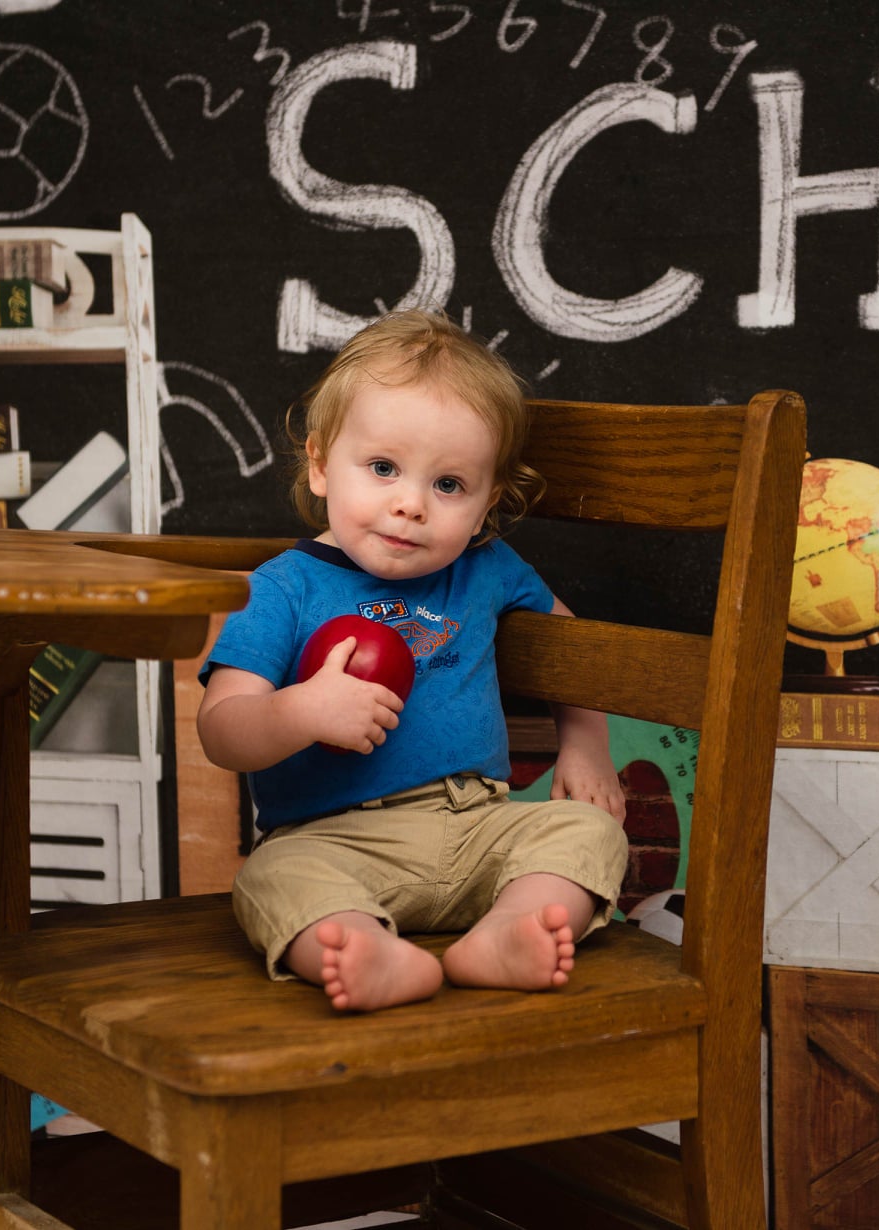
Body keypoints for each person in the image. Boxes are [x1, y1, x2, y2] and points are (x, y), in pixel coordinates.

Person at [197, 309, 628, 1012]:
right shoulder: (282, 588)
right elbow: (221, 729)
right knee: (272, 876)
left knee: (588, 832)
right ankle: (363, 946)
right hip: (332, 839)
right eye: (383, 468)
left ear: (487, 503)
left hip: (480, 824)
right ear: (320, 465)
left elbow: (575, 645)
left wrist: (586, 743)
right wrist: (301, 710)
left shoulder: (487, 568)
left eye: (449, 485)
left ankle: (509, 931)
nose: (410, 505)